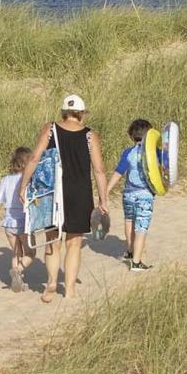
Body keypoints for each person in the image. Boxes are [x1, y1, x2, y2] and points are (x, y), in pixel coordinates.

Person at [20, 94, 106, 303]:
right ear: (82, 114)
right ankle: (69, 290)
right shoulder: (90, 135)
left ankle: (51, 283)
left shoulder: (50, 129)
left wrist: (23, 186)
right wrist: (103, 199)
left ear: (63, 112)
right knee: (74, 243)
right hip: (80, 192)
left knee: (52, 240)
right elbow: (99, 170)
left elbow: (34, 158)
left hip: (52, 191)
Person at [105, 118, 158, 272]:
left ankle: (129, 250)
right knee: (141, 227)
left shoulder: (128, 152)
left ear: (131, 136)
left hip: (128, 194)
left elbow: (118, 172)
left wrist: (106, 190)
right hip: (145, 195)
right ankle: (136, 262)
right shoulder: (153, 154)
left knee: (129, 221)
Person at [0, 146, 33, 291]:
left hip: (8, 222)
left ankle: (17, 282)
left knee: (16, 253)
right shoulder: (28, 180)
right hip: (24, 222)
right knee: (30, 253)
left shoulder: (5, 180)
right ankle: (18, 271)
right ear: (26, 164)